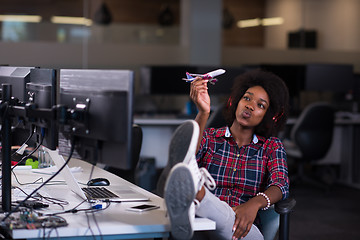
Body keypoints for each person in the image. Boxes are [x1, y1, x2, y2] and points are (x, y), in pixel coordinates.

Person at [162, 69, 290, 240]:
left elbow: (281, 184)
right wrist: (203, 113)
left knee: (223, 221)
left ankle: (197, 195)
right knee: (187, 162)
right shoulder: (210, 138)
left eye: (260, 105)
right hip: (204, 223)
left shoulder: (271, 147)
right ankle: (197, 198)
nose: (250, 105)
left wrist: (254, 204)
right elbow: (188, 156)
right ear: (236, 101)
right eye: (246, 98)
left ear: (267, 115)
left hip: (243, 229)